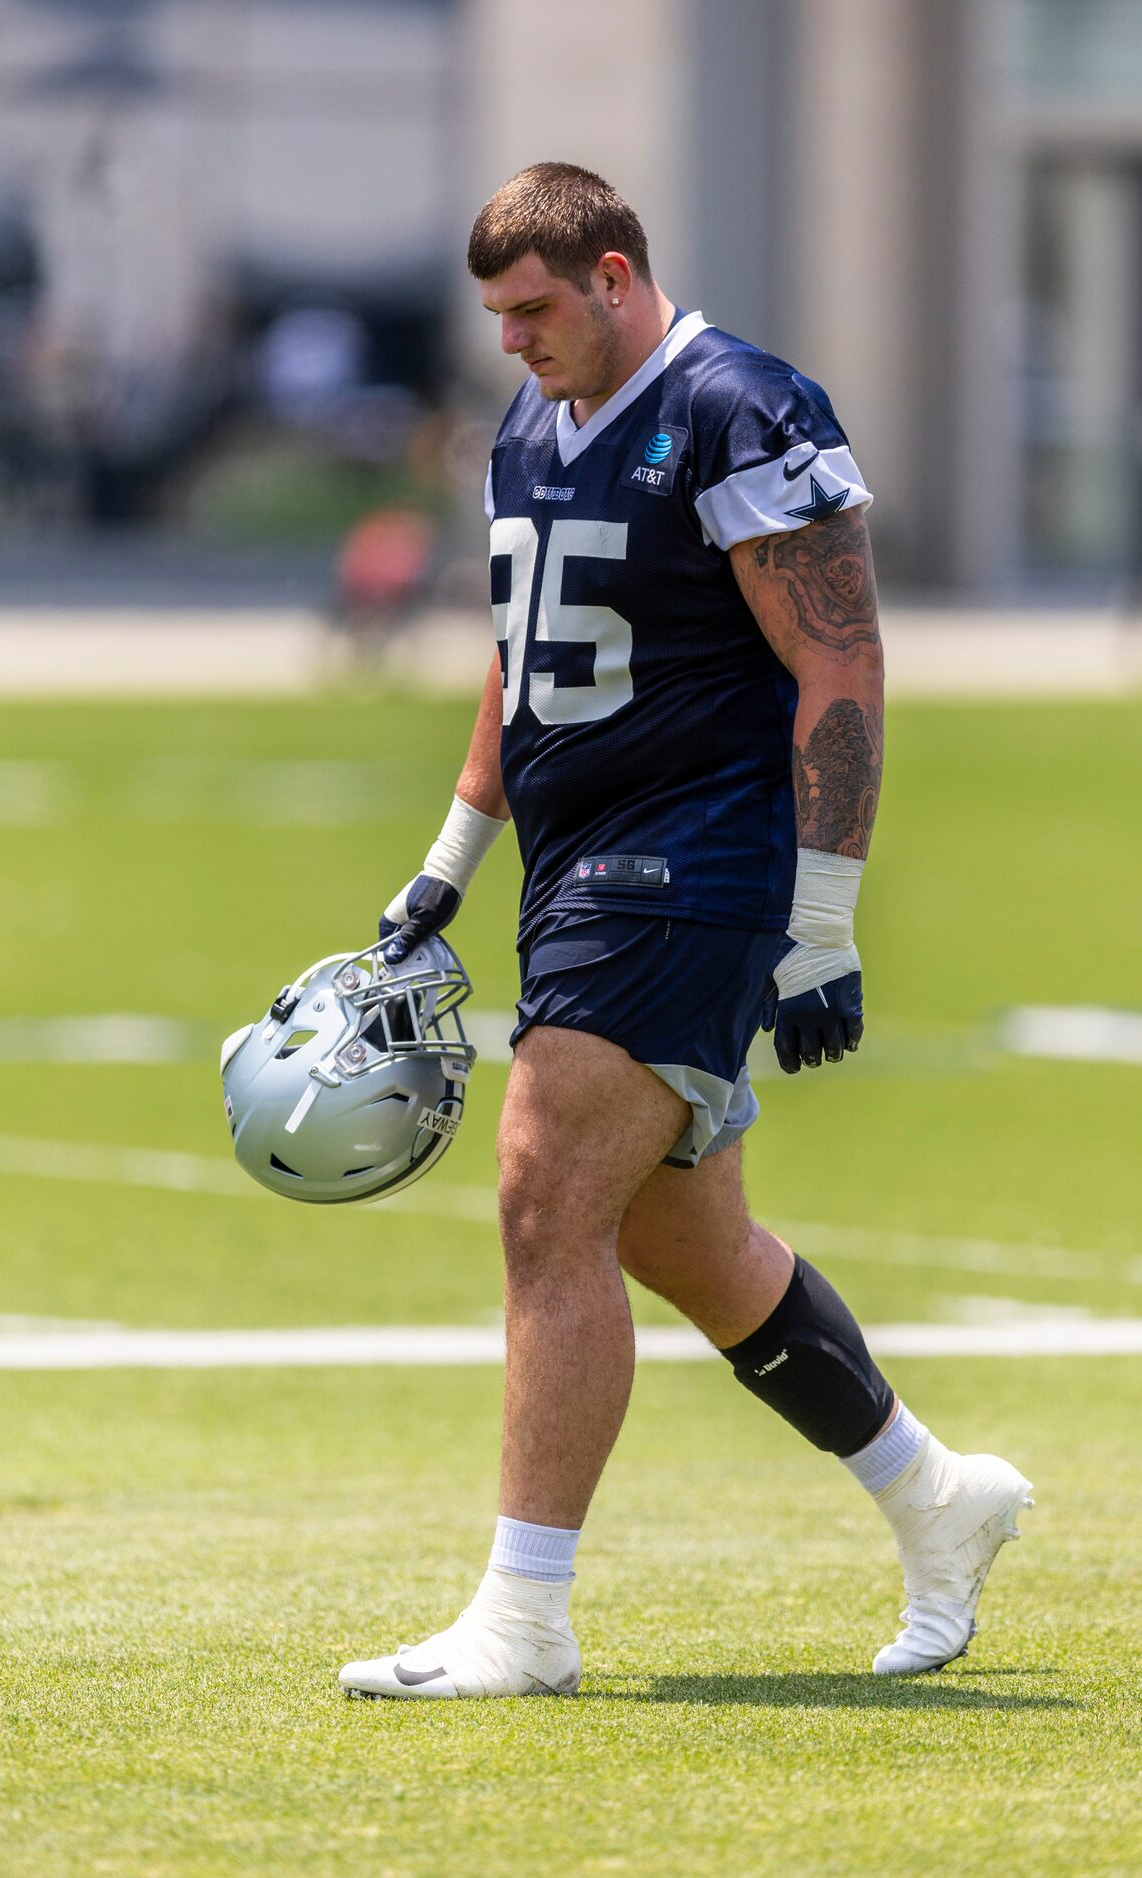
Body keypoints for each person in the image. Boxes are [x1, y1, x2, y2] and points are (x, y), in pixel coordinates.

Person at [339, 163, 1031, 1700]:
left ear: (613, 271)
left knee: (539, 1194)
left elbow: (840, 667)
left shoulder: (740, 407)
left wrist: (826, 918)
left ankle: (525, 1616)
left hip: (695, 861)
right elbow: (521, 654)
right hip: (572, 861)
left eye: (533, 309)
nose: (512, 341)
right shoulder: (533, 422)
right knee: (675, 1235)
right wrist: (452, 856)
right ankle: (938, 1495)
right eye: (496, 317)